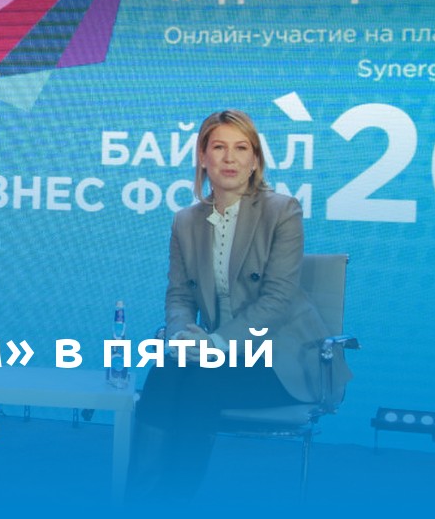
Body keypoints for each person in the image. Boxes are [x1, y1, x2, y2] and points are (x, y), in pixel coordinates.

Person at [128, 109, 351, 501]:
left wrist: (214, 344)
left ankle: (170, 501)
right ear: (203, 157)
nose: (229, 158)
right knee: (165, 371)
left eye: (241, 148)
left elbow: (277, 300)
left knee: (198, 383)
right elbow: (179, 295)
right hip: (213, 357)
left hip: (281, 360)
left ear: (255, 160)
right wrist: (181, 337)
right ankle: (140, 498)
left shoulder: (282, 211)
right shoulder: (185, 221)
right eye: (219, 147)